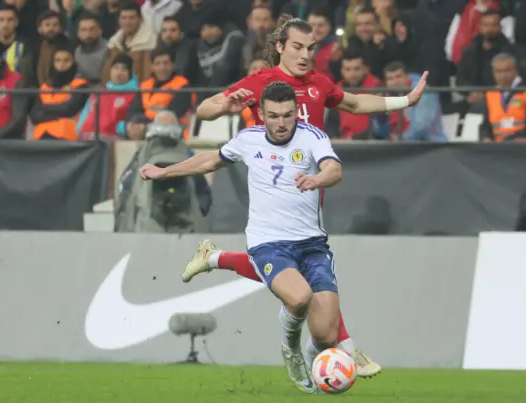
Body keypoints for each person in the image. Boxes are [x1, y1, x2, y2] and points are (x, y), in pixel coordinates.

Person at [188, 16, 430, 378]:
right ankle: (346, 347)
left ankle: (215, 258)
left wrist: (404, 101)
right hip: (272, 190)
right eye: (298, 47)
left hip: (309, 187)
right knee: (306, 270)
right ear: (281, 47)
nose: (305, 55)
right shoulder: (261, 82)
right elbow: (204, 109)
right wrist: (224, 106)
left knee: (298, 268)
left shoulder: (318, 83)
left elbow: (353, 104)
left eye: (311, 48)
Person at [139, 82, 341, 393]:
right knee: (299, 297)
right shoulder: (248, 140)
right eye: (273, 115)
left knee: (328, 335)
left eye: (288, 115)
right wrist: (165, 172)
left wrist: (317, 178)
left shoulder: (311, 136)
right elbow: (210, 161)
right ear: (261, 114)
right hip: (268, 242)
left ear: (295, 115)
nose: (282, 122)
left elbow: (334, 169)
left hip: (312, 243)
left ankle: (320, 359)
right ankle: (291, 349)